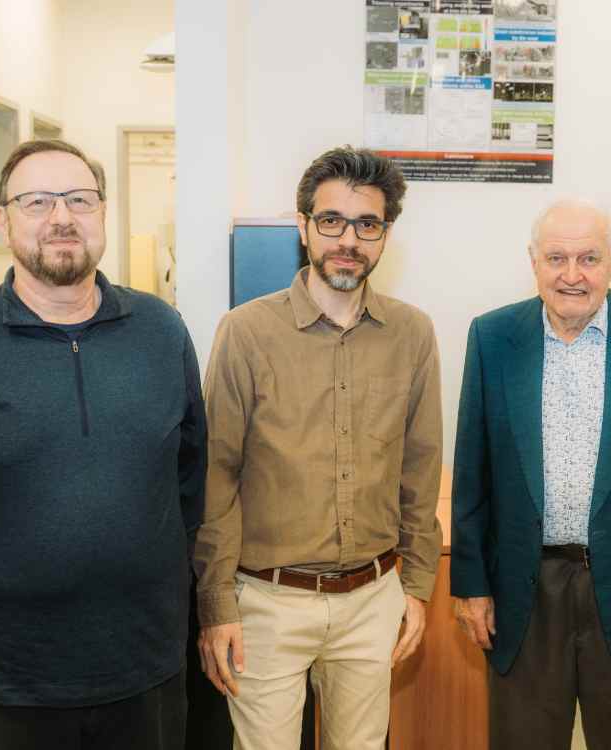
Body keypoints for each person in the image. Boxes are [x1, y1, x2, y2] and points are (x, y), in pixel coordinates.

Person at [0, 139, 207, 750]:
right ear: (4, 220)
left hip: (144, 670)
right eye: (37, 201)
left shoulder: (161, 331)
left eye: (80, 199)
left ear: (103, 212)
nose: (61, 217)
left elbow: (188, 481)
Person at [193, 146, 442, 750]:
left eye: (367, 225)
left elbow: (420, 468)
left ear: (386, 235)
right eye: (331, 221)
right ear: (304, 226)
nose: (347, 240)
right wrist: (216, 605)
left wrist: (415, 587)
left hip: (373, 600)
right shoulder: (245, 332)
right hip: (268, 603)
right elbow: (215, 476)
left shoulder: (412, 333)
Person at [450, 199, 611, 750]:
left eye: (589, 258)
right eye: (556, 258)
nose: (572, 275)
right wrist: (471, 586)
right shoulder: (492, 338)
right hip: (525, 590)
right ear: (533, 261)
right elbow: (473, 476)